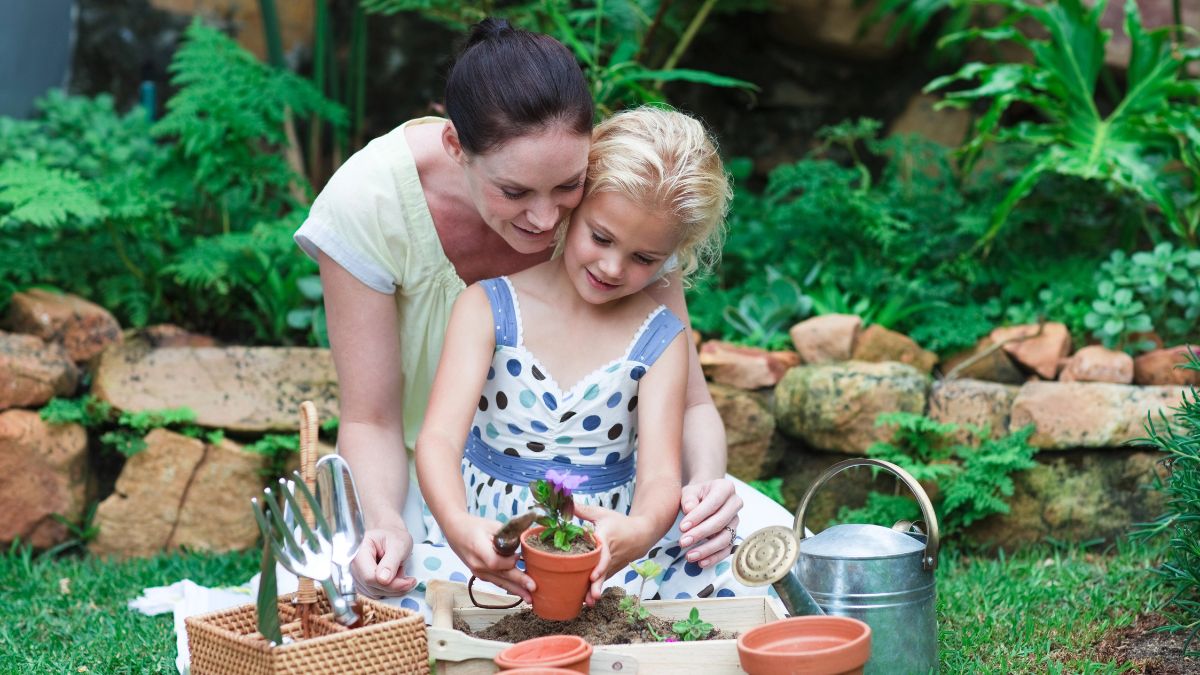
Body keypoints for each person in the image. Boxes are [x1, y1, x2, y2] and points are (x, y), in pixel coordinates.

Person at [294, 17, 784, 601]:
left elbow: (689, 404)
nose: (547, 219)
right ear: (456, 147)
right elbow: (371, 420)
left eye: (567, 188)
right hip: (428, 480)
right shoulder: (371, 202)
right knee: (367, 583)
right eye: (515, 193)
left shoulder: (624, 201)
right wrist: (386, 522)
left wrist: (701, 488)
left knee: (762, 560)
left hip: (611, 495)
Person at [412, 105, 758, 613]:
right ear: (573, 204)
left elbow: (661, 476)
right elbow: (439, 438)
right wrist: (459, 525)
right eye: (601, 237)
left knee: (724, 595)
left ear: (672, 256)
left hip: (604, 549)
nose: (613, 267)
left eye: (644, 258)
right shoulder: (488, 307)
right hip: (491, 539)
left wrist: (638, 532)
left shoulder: (659, 337)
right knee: (405, 595)